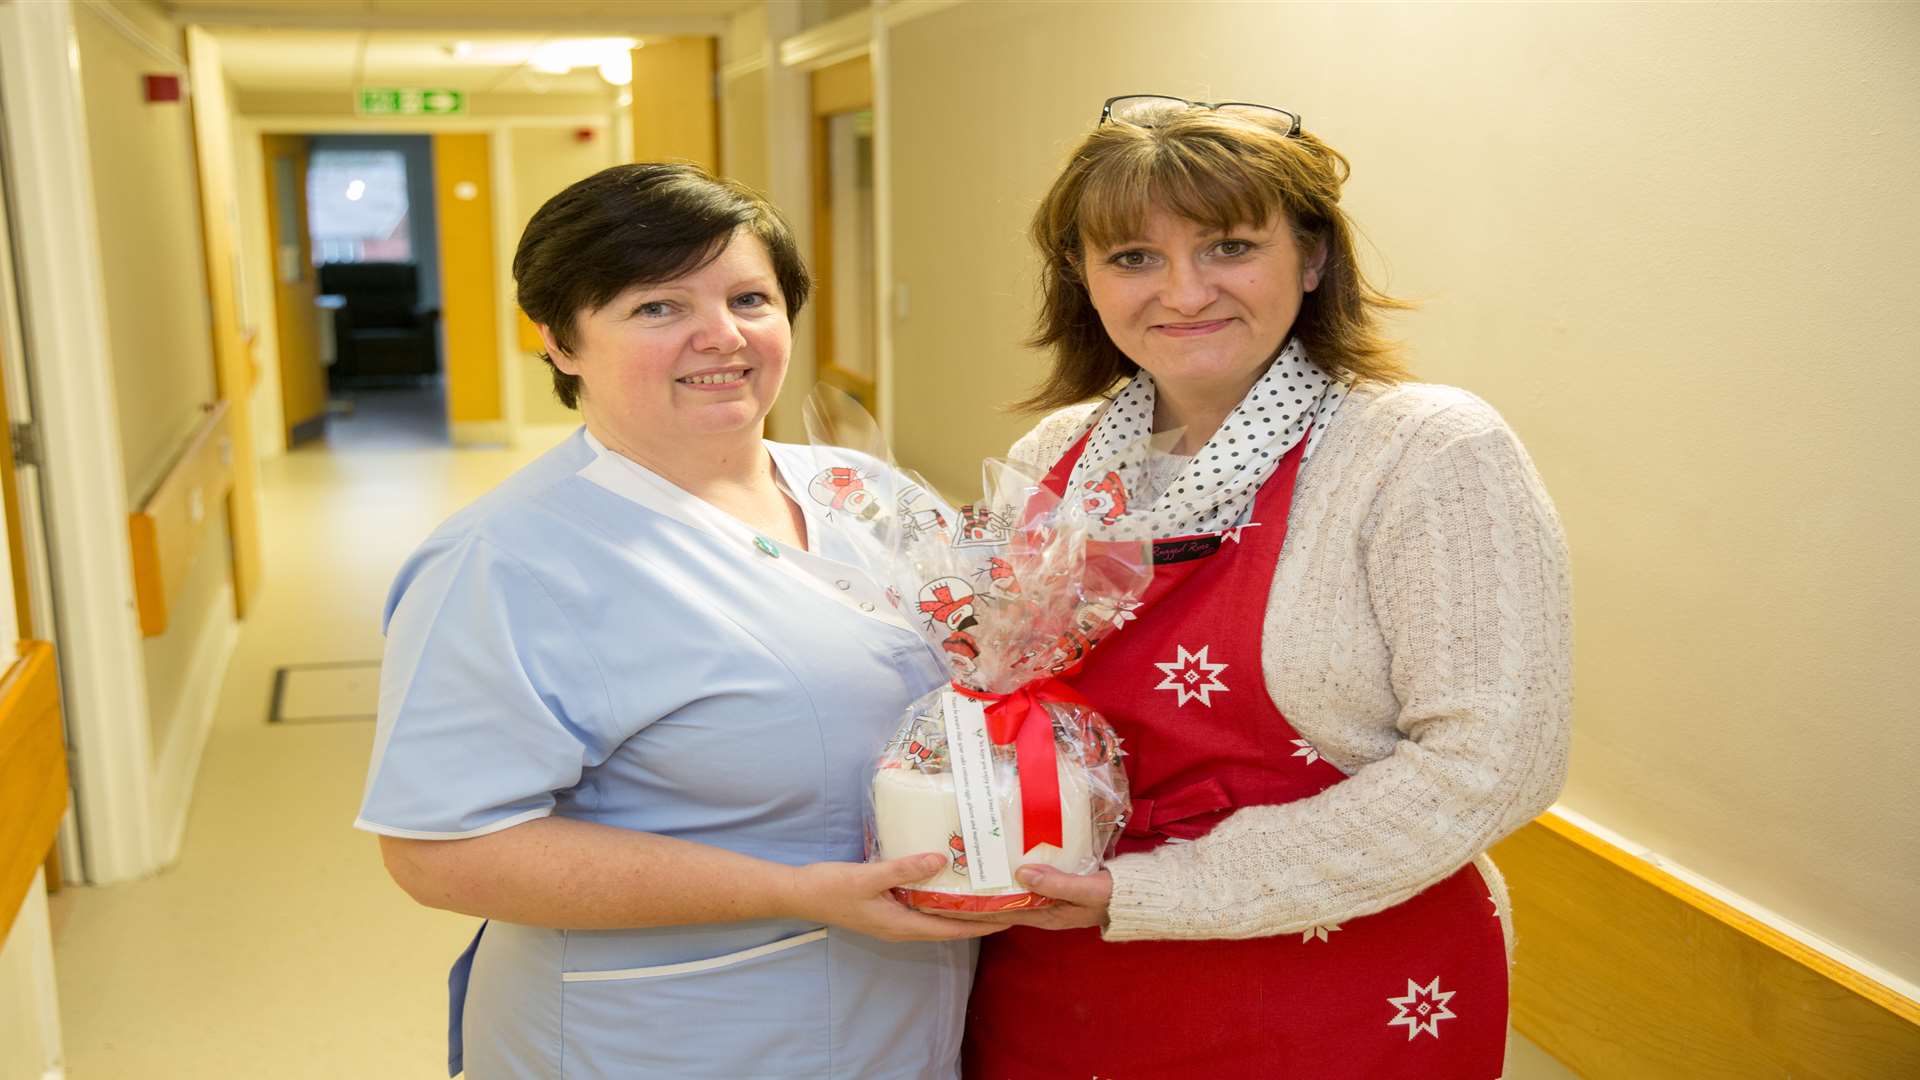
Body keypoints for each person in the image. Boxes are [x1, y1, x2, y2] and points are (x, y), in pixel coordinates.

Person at [961, 96, 1572, 1078]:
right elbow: (1003, 703)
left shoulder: (1423, 451)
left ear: (1314, 259)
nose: (1184, 291)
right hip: (1060, 972)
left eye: (1230, 247)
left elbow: (1492, 765)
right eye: (1133, 258)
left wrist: (1156, 891)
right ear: (1083, 278)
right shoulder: (1058, 455)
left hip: (1340, 990)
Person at [355, 163, 991, 1079]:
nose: (721, 336)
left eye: (749, 298)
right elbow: (441, 853)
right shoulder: (508, 558)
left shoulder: (869, 495)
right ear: (560, 342)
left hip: (904, 1016)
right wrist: (794, 891)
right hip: (666, 1037)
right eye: (658, 307)